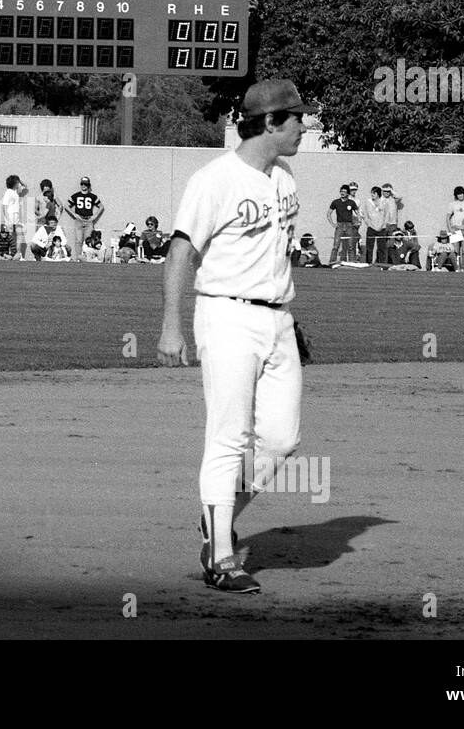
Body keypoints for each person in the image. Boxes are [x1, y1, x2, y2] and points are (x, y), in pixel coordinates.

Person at [157, 78, 309, 595]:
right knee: (229, 437)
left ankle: (216, 517)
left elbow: (276, 254)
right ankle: (221, 557)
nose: (303, 126)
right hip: (225, 316)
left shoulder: (284, 177)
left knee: (283, 439)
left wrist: (288, 318)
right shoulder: (213, 180)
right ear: (270, 123)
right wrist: (171, 327)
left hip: (277, 318)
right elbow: (180, 254)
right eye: (295, 118)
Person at [66, 175, 105, 261]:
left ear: (88, 185)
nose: (83, 185)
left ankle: (87, 258)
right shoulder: (76, 196)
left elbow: (101, 206)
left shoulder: (92, 196)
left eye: (85, 184)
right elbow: (66, 205)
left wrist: (95, 216)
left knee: (88, 241)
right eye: (82, 184)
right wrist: (74, 214)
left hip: (88, 220)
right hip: (79, 220)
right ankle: (78, 258)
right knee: (79, 241)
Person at [325, 183, 359, 264]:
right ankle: (332, 262)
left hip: (349, 225)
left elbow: (358, 213)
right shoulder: (335, 202)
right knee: (336, 246)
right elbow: (328, 213)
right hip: (339, 225)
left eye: (344, 191)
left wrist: (358, 222)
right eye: (341, 191)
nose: (342, 193)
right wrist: (333, 224)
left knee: (351, 246)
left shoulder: (352, 202)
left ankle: (352, 263)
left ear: (348, 193)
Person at [446, 186, 464, 272]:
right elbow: (447, 218)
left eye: (461, 194)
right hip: (455, 229)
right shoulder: (452, 204)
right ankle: (456, 268)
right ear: (456, 195)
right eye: (458, 194)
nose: (460, 196)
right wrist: (450, 229)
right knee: (455, 251)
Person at [376, 183, 404, 265]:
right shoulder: (380, 200)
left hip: (392, 225)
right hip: (383, 225)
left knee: (392, 244)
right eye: (385, 191)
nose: (386, 193)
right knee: (381, 245)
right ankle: (381, 263)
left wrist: (391, 190)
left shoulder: (393, 199)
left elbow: (400, 196)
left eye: (388, 191)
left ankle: (393, 263)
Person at [1, 175, 28, 259]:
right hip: (10, 218)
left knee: (20, 235)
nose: (19, 184)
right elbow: (4, 206)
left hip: (17, 219)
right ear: (14, 183)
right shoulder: (8, 192)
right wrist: (8, 221)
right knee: (10, 238)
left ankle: (18, 254)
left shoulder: (16, 192)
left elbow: (26, 187)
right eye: (17, 182)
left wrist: (19, 180)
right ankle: (9, 255)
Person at [359, 186, 385, 264]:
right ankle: (368, 263)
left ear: (378, 194)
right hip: (371, 228)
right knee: (369, 247)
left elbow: (387, 215)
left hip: (382, 228)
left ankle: (381, 264)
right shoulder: (368, 202)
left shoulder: (384, 202)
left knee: (381, 248)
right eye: (372, 193)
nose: (372, 194)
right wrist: (368, 224)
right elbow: (363, 214)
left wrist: (382, 225)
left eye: (374, 193)